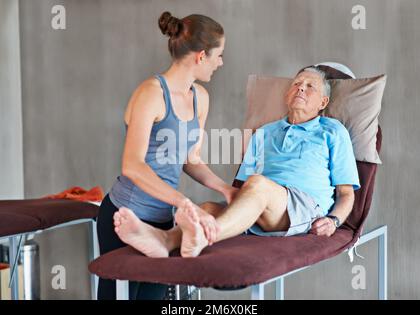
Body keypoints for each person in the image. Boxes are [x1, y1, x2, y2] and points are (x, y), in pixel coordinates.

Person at [113, 66, 361, 261]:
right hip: (261, 205)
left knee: (258, 185)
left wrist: (335, 221)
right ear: (287, 94)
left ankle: (206, 235)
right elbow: (243, 187)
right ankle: (163, 240)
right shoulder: (264, 132)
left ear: (323, 103)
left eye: (310, 86)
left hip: (305, 208)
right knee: (209, 208)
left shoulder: (332, 131)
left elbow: (346, 193)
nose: (301, 89)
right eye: (296, 84)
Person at [97, 11, 238, 300]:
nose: (221, 62)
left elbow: (190, 159)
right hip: (124, 216)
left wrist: (224, 188)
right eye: (219, 55)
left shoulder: (200, 98)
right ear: (201, 56)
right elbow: (133, 165)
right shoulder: (151, 94)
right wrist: (185, 203)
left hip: (161, 221)